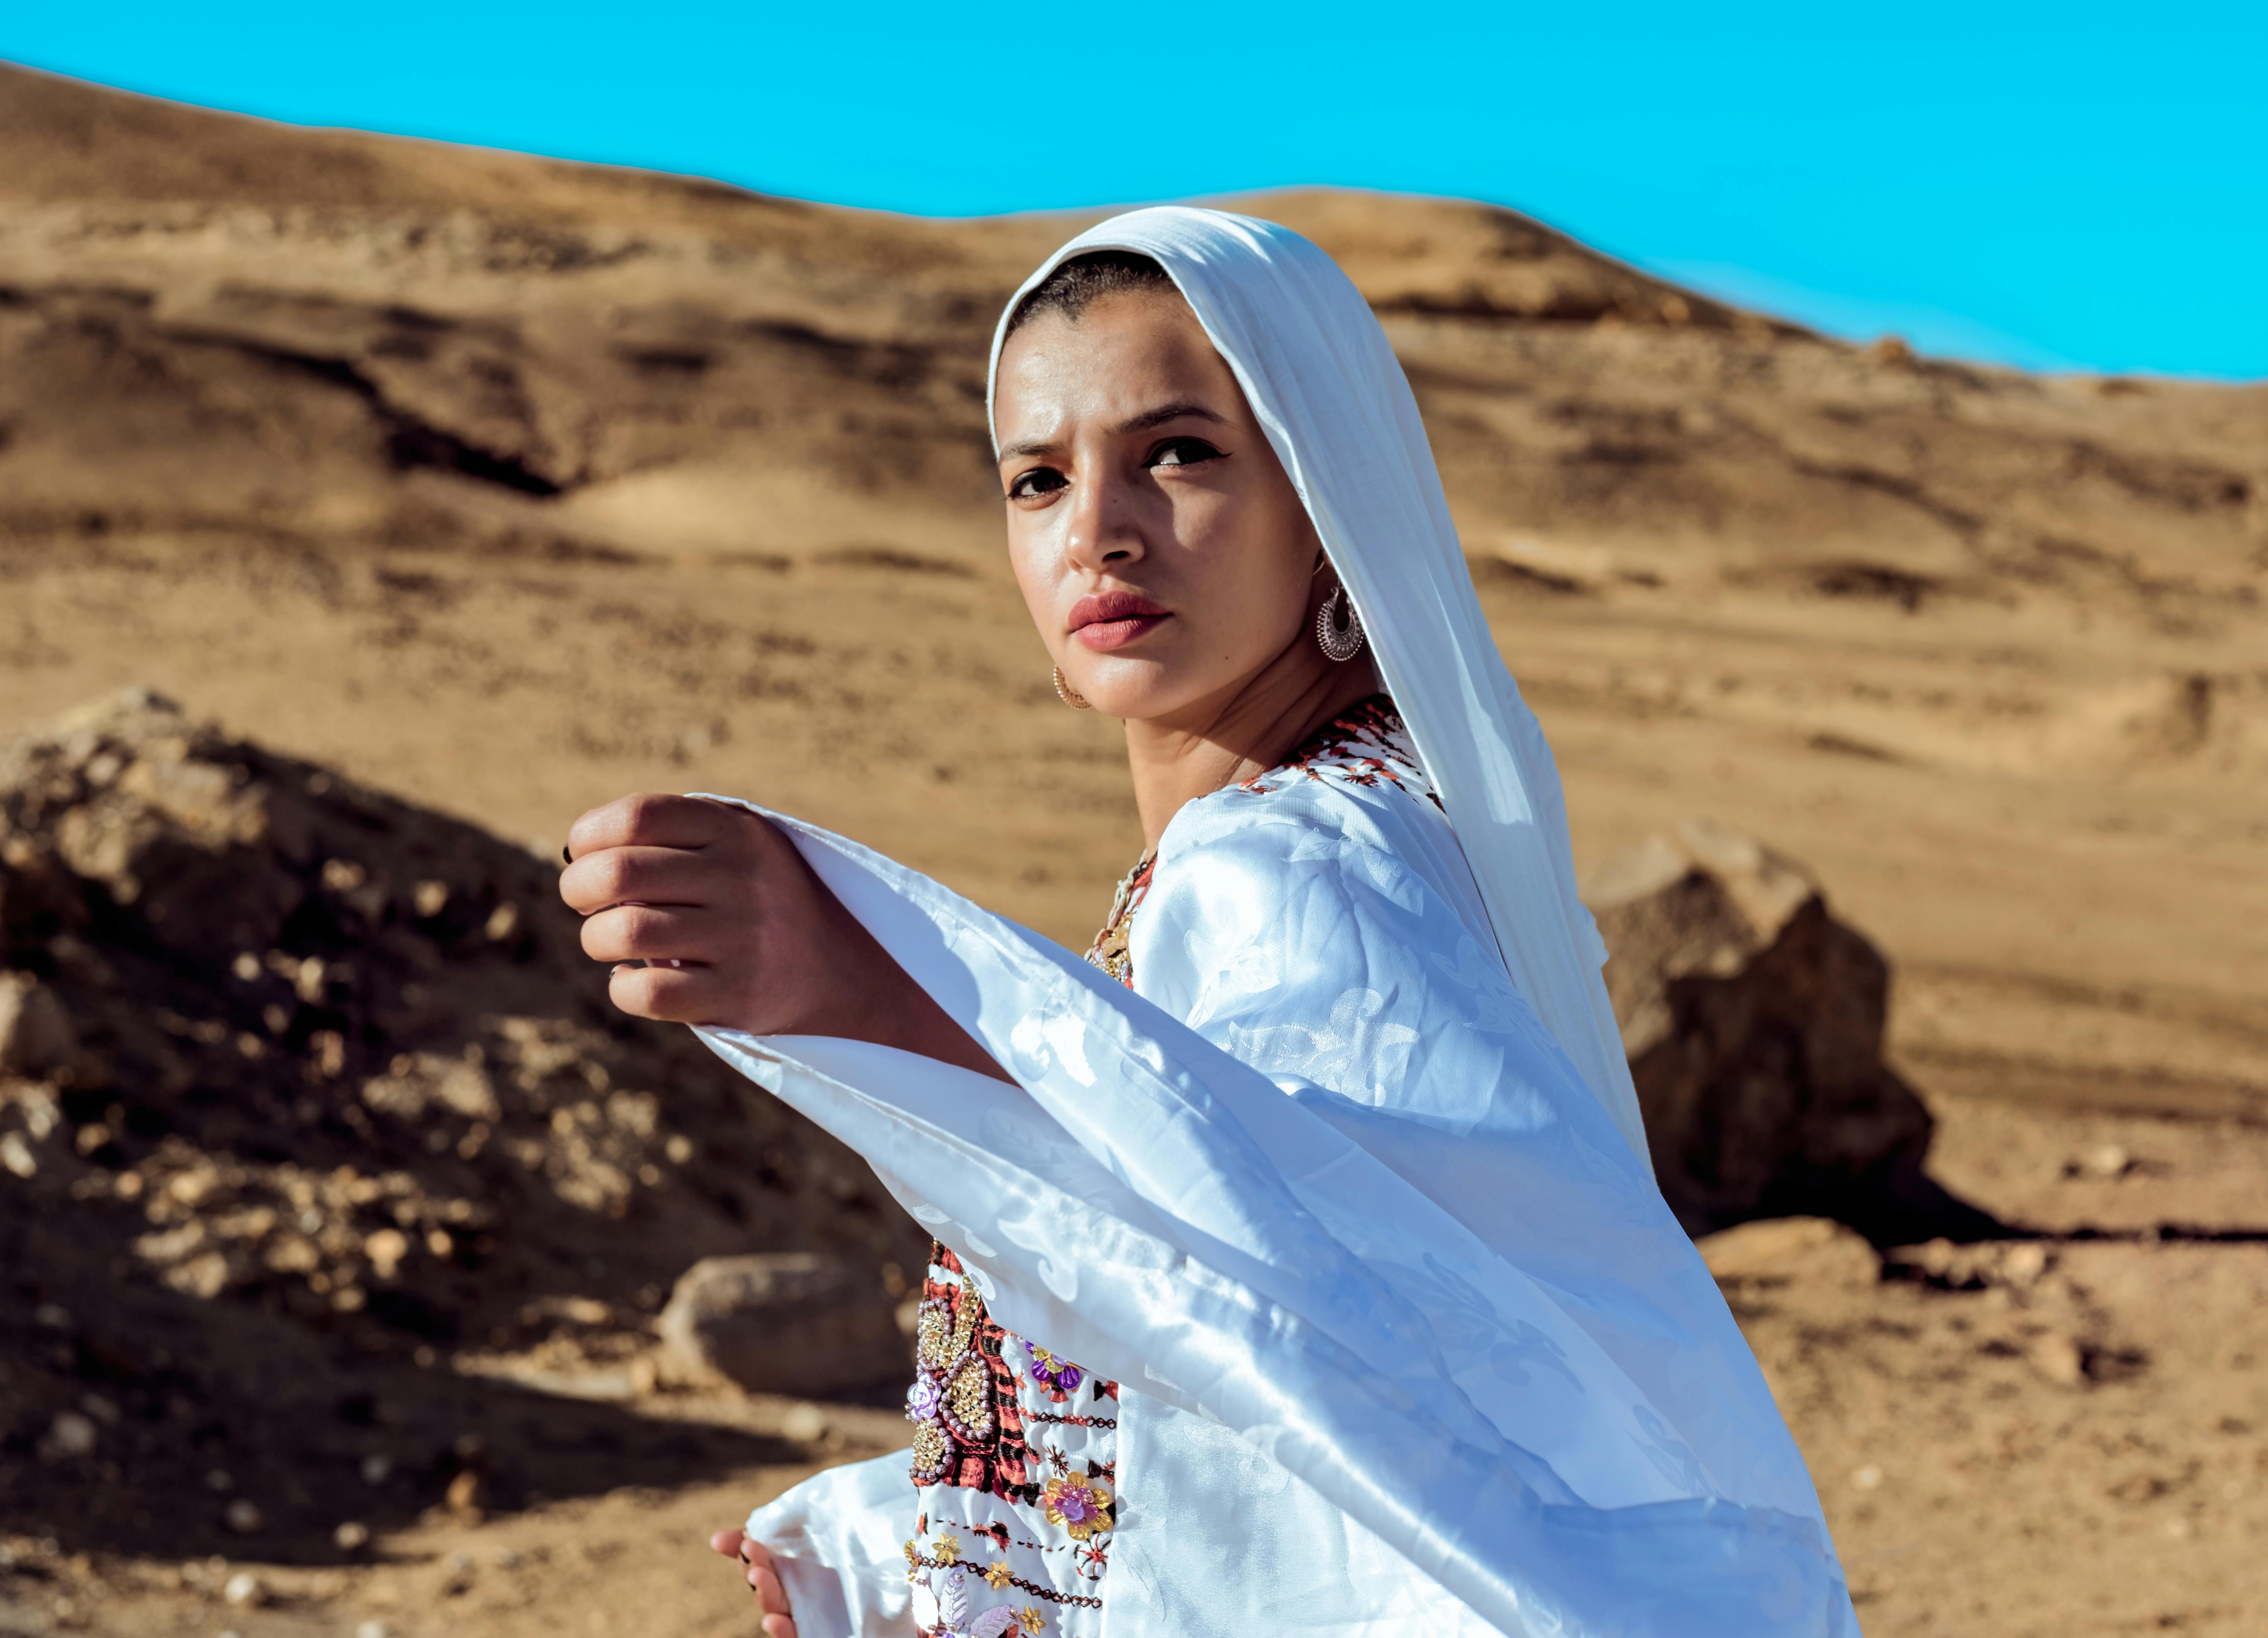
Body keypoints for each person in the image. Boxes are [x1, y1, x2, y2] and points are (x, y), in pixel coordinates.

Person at [560, 209, 1859, 1638]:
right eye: (1038, 480)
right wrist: (903, 1536)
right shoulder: (1318, 821)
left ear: (1327, 502)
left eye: (1177, 454)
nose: (1098, 533)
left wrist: (871, 986)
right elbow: (1302, 1385)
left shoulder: (1294, 859)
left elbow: (1298, 1301)